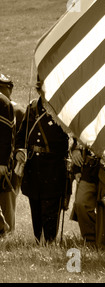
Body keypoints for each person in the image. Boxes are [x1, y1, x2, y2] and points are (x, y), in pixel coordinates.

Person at [15, 91, 70, 244]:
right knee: (35, 203)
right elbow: (21, 136)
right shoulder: (32, 107)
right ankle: (38, 240)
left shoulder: (62, 109)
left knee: (50, 205)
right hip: (34, 166)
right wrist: (19, 151)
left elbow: (71, 136)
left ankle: (50, 241)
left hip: (53, 165)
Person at [71, 145, 105, 249]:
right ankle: (90, 241)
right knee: (81, 203)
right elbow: (78, 136)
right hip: (89, 167)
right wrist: (77, 168)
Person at [0, 73, 15, 236]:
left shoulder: (2, 103)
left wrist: (3, 162)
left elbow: (6, 135)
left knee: (6, 199)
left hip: (1, 160)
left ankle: (5, 230)